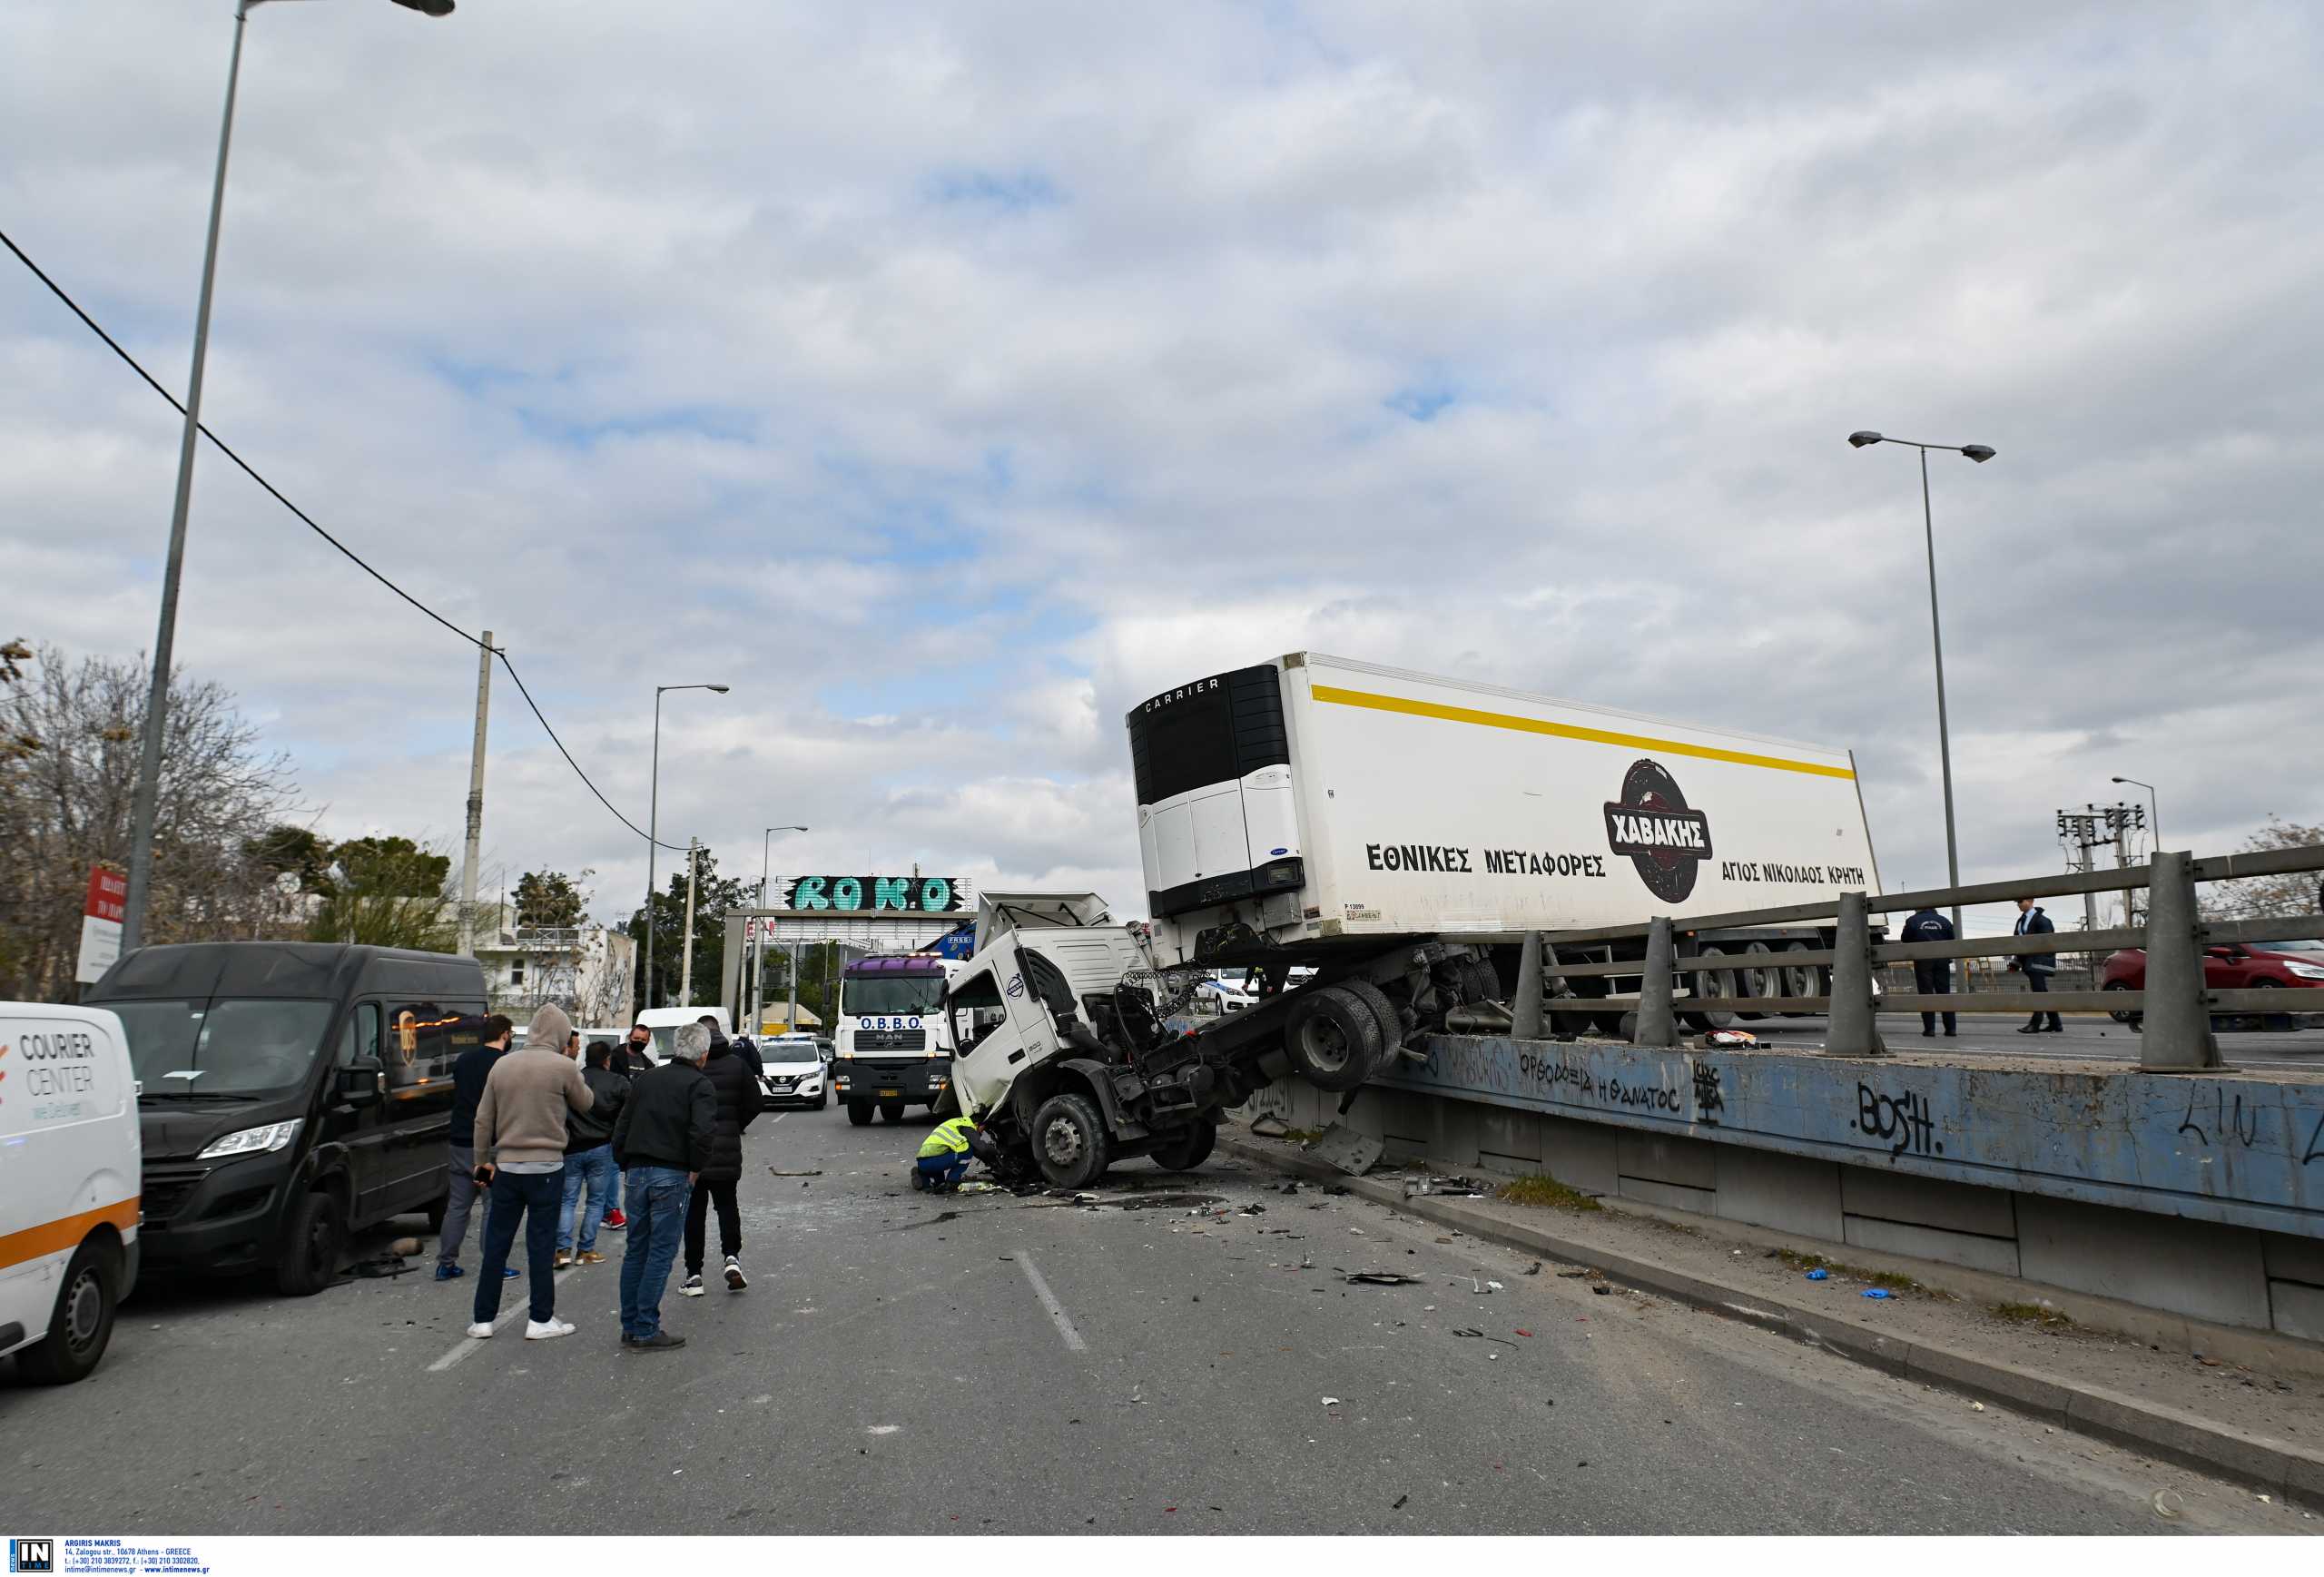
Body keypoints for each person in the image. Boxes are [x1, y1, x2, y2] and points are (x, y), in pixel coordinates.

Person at [466, 1005, 596, 1343]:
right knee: (541, 1244)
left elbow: (483, 1120)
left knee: (497, 1243)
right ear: (561, 1035)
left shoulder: (502, 1066)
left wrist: (483, 1160)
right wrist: (572, 1064)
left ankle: (483, 1319)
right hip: (548, 1169)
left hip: (507, 1167)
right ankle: (540, 1319)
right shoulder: (563, 1067)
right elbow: (587, 1103)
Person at [613, 1021, 716, 1350]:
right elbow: (702, 1132)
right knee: (661, 1252)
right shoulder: (700, 1085)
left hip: (637, 1170)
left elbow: (623, 1122)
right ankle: (645, 1326)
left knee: (636, 1250)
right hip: (671, 1173)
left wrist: (624, 1160)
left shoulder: (647, 1078)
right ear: (703, 1053)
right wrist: (695, 1169)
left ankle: (631, 1325)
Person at [680, 1021, 763, 1296]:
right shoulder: (737, 1065)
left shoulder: (690, 1069)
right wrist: (734, 1124)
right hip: (727, 1150)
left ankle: (693, 1275)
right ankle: (732, 1258)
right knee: (727, 1206)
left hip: (693, 1154)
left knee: (694, 1214)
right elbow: (755, 1103)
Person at [436, 1013, 515, 1282]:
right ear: (504, 1034)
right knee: (492, 1205)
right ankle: (493, 1263)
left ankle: (446, 1263)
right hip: (485, 1150)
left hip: (459, 1142)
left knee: (458, 1205)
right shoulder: (504, 1064)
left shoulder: (464, 1060)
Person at [555, 1040, 629, 1268]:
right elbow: (630, 1110)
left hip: (572, 1146)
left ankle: (562, 1250)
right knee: (596, 1201)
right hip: (602, 1146)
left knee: (568, 1200)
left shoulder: (573, 1078)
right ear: (607, 1059)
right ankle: (585, 1250)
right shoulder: (618, 1082)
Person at [1901, 905, 1958, 1038]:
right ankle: (1951, 1029)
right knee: (1944, 993)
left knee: (1926, 993)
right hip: (1942, 960)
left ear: (1917, 909)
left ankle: (1930, 1029)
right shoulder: (1944, 920)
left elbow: (1905, 938)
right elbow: (1952, 939)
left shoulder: (1912, 920)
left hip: (1923, 960)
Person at [2010, 896, 2063, 1033]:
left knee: (2039, 993)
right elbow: (2019, 943)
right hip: (2029, 962)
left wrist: (2040, 960)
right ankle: (2055, 1023)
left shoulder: (2043, 921)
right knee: (2042, 993)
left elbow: (2048, 943)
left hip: (2038, 963)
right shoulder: (2021, 920)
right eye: (2018, 902)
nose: (2019, 905)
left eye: (2021, 901)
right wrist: (2015, 963)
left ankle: (2035, 1024)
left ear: (2031, 901)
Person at [914, 1114, 979, 1193]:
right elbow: (980, 1148)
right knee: (967, 1151)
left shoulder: (954, 1123)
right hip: (933, 1162)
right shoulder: (969, 1129)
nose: (981, 1132)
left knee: (939, 1184)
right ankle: (952, 1181)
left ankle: (924, 1178)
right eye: (983, 1128)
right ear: (977, 1124)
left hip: (922, 1162)